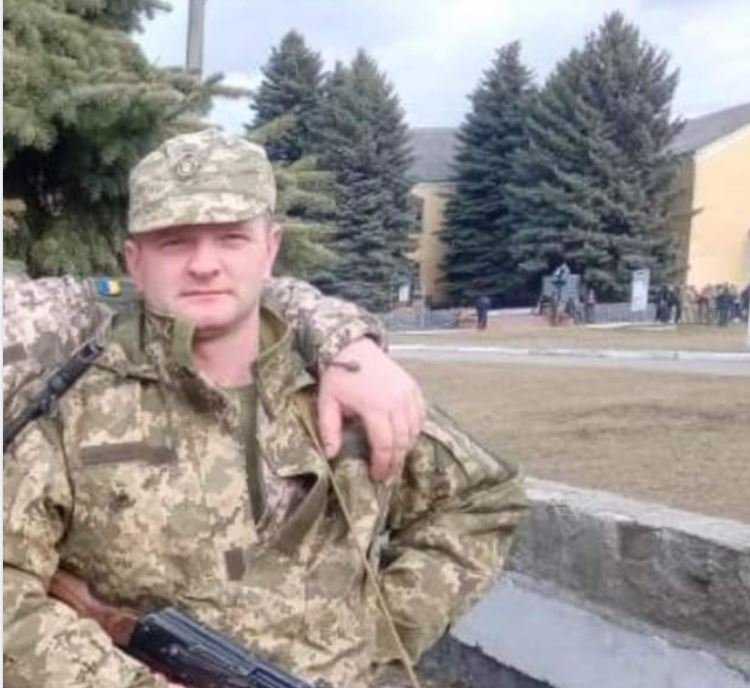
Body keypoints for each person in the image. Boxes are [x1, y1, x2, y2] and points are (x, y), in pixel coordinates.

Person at [4, 129, 527, 688]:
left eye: (231, 238)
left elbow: (483, 500)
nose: (204, 265)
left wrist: (373, 635)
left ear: (270, 248)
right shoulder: (75, 405)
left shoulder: (350, 393)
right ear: (135, 261)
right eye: (174, 243)